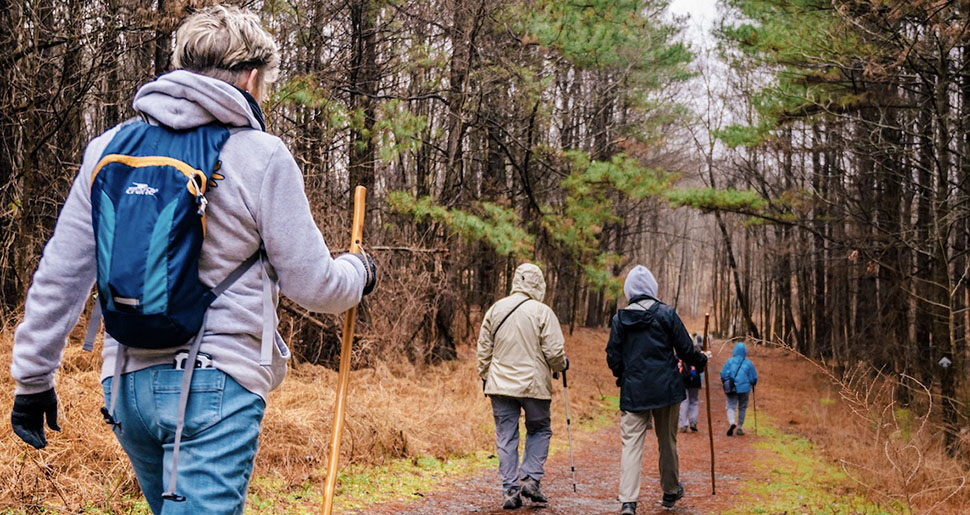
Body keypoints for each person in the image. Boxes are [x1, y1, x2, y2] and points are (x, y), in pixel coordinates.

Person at [9, 6, 376, 514]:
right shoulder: (261, 156)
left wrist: (32, 379)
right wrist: (360, 271)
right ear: (251, 77)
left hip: (125, 386)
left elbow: (60, 275)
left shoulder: (108, 148)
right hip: (216, 386)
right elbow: (314, 286)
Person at [606, 265, 709, 514]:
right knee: (667, 442)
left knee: (631, 445)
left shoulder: (620, 319)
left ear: (629, 290)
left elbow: (613, 357)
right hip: (666, 390)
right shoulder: (666, 314)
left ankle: (628, 501)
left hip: (634, 391)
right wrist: (702, 360)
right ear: (652, 288)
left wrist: (623, 375)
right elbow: (685, 349)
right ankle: (671, 491)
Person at [477, 263, 567, 510]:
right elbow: (555, 352)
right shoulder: (543, 312)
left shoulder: (496, 309)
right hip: (533, 386)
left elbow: (484, 348)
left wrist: (486, 375)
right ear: (539, 284)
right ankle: (530, 478)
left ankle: (509, 490)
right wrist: (561, 365)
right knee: (539, 429)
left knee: (506, 436)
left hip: (500, 386)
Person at [720, 341, 758, 436]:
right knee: (742, 407)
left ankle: (732, 422)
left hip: (732, 388)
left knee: (730, 406)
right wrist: (752, 383)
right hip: (744, 389)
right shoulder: (748, 363)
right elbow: (754, 378)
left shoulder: (729, 362)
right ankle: (740, 427)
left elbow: (723, 374)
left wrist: (726, 382)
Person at [677, 335, 703, 433]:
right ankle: (693, 421)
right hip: (695, 380)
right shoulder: (696, 352)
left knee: (684, 402)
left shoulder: (680, 352)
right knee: (694, 401)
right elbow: (701, 367)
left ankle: (684, 424)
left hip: (683, 379)